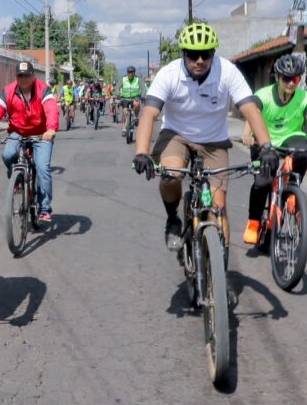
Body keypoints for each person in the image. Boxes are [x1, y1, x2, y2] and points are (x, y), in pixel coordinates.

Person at [132, 21, 276, 252]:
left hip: (213, 141)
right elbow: (149, 113)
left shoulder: (226, 71)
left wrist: (267, 146)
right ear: (184, 54)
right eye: (193, 55)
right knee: (172, 175)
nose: (199, 60)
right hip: (176, 135)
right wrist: (141, 152)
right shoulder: (169, 74)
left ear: (213, 54)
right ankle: (173, 219)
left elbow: (250, 109)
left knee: (218, 207)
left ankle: (219, 269)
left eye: (205, 54)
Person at [241, 53, 307, 244]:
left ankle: (292, 188)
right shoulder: (263, 95)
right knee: (263, 181)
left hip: (291, 139)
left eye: (295, 79)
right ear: (277, 77)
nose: (291, 83)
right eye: (286, 78)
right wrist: (247, 134)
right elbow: (253, 115)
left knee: (304, 152)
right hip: (265, 141)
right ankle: (254, 222)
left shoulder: (303, 98)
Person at [0, 62, 59, 221]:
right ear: (16, 77)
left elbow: (51, 109)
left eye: (27, 75)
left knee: (42, 167)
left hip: (41, 134)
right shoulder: (8, 91)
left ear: (33, 76)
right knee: (8, 155)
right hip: (17, 131)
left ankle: (44, 208)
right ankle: (16, 177)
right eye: (20, 76)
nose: (23, 79)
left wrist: (51, 129)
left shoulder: (43, 89)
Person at [118, 66, 146, 136]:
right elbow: (117, 87)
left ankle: (136, 117)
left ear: (134, 73)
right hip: (125, 97)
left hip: (135, 97)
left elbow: (143, 88)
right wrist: (117, 94)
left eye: (132, 72)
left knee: (137, 104)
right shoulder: (123, 79)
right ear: (127, 73)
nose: (130, 74)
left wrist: (142, 96)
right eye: (129, 72)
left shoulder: (138, 79)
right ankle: (124, 129)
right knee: (124, 112)